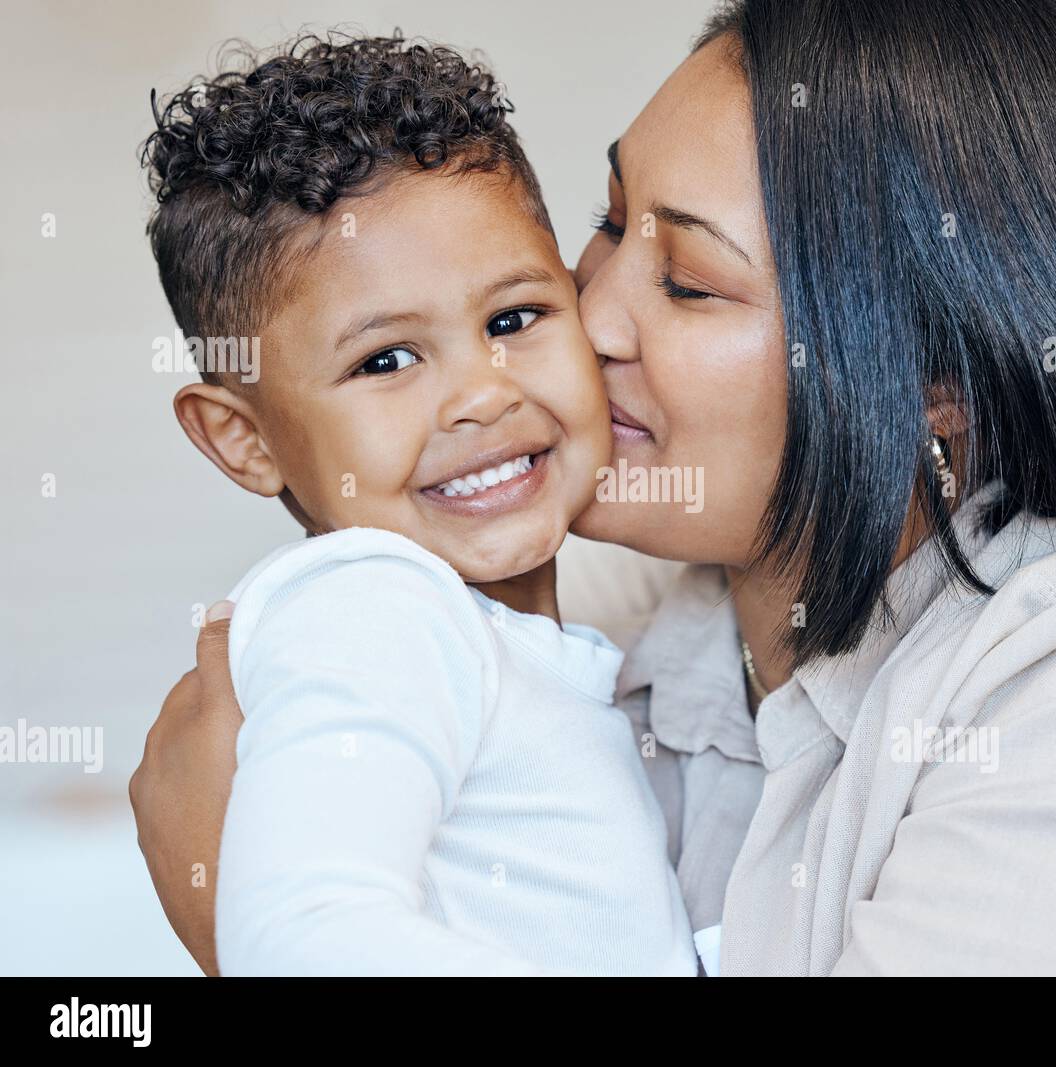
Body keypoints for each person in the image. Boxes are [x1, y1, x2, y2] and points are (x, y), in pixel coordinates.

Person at [133, 0, 1056, 976]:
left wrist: (229, 911)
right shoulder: (566, 649)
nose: (579, 319)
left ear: (938, 380)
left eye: (687, 280)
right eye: (603, 224)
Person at [138, 33, 697, 976]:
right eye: (384, 360)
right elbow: (305, 936)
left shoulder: (489, 643)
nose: (482, 391)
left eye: (513, 320)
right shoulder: (375, 607)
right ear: (247, 438)